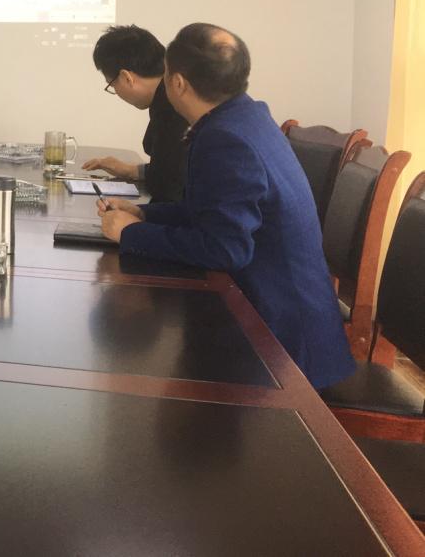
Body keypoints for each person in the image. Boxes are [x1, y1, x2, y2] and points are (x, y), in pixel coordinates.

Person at [97, 23, 354, 390]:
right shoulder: (246, 117)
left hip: (281, 345)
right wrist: (144, 214)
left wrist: (132, 234)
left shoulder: (225, 139)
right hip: (278, 315)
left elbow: (224, 248)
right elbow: (209, 212)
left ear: (178, 83)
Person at [83, 24, 188, 203]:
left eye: (112, 84)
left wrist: (137, 215)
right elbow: (173, 170)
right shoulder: (166, 96)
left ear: (126, 77)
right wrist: (132, 171)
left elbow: (169, 188)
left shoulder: (173, 108)